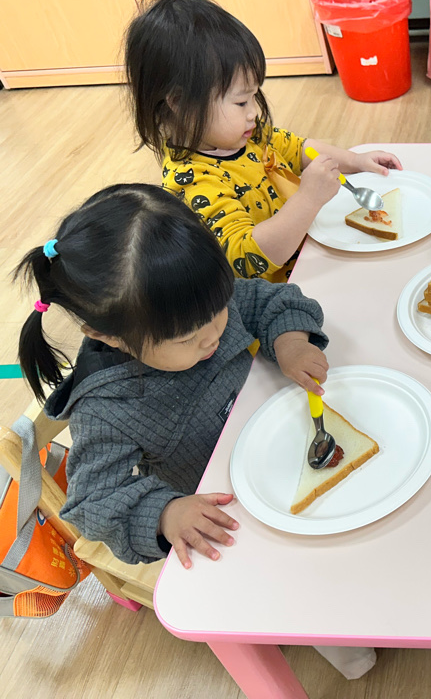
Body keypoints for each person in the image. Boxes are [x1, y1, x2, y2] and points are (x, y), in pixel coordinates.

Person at [16, 183, 375, 679]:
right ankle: (346, 645)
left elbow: (266, 298)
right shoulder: (108, 407)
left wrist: (290, 340)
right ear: (107, 336)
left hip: (283, 445)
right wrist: (165, 513)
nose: (214, 335)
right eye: (188, 338)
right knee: (310, 593)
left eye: (218, 311)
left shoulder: (196, 301)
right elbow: (93, 501)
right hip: (227, 509)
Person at [125, 0, 402, 283]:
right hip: (278, 292)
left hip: (310, 253)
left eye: (254, 97)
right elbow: (249, 258)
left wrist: (355, 161)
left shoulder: (244, 135)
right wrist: (308, 199)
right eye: (241, 102)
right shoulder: (193, 182)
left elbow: (301, 149)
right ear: (179, 102)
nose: (254, 112)